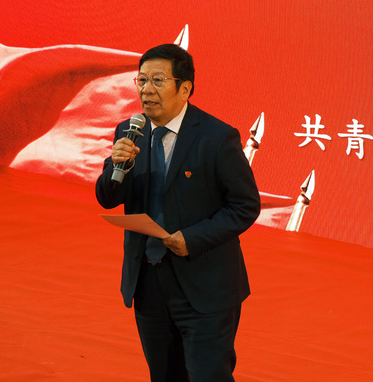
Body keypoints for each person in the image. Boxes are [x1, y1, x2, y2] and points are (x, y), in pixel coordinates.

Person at [96, 43, 261, 381]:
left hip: (205, 286)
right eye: (142, 80)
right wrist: (117, 166)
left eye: (158, 80)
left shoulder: (217, 138)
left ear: (184, 88)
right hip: (149, 282)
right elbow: (108, 198)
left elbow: (245, 205)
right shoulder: (130, 131)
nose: (147, 90)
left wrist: (192, 238)